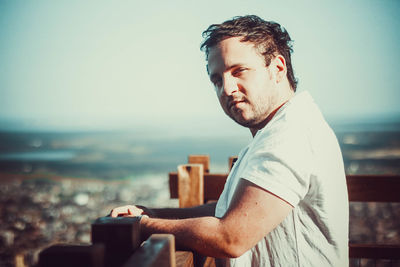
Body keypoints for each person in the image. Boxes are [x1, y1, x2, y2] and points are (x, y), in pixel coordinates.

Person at [110, 15, 349, 267]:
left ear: (278, 68)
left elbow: (230, 237)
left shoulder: (289, 136)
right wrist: (154, 213)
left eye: (239, 71)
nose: (227, 88)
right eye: (217, 79)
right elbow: (225, 212)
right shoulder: (275, 132)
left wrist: (142, 226)